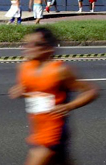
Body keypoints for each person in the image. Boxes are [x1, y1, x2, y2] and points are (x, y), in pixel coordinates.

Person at [9, 28, 99, 165]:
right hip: (37, 130)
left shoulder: (60, 70)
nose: (28, 48)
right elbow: (35, 92)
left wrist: (69, 106)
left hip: (54, 132)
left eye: (35, 44)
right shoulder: (23, 68)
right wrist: (22, 92)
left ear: (49, 48)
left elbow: (91, 91)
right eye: (26, 44)